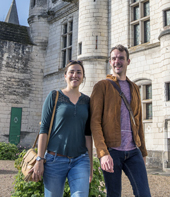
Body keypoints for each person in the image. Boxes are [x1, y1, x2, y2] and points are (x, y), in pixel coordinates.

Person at [90, 45, 151, 197]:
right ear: (110, 62)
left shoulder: (135, 88)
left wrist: (142, 151)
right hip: (112, 151)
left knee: (144, 194)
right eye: (114, 58)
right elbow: (95, 123)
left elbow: (138, 122)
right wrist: (103, 153)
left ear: (128, 61)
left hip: (133, 151)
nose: (117, 61)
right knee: (114, 194)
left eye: (121, 58)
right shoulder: (101, 86)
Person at [31, 60, 93, 197]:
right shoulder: (54, 96)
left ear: (83, 77)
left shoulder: (87, 102)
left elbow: (88, 134)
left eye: (79, 72)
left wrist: (91, 165)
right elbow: (44, 130)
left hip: (80, 160)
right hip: (54, 160)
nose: (75, 75)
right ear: (65, 76)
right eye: (71, 72)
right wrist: (40, 159)